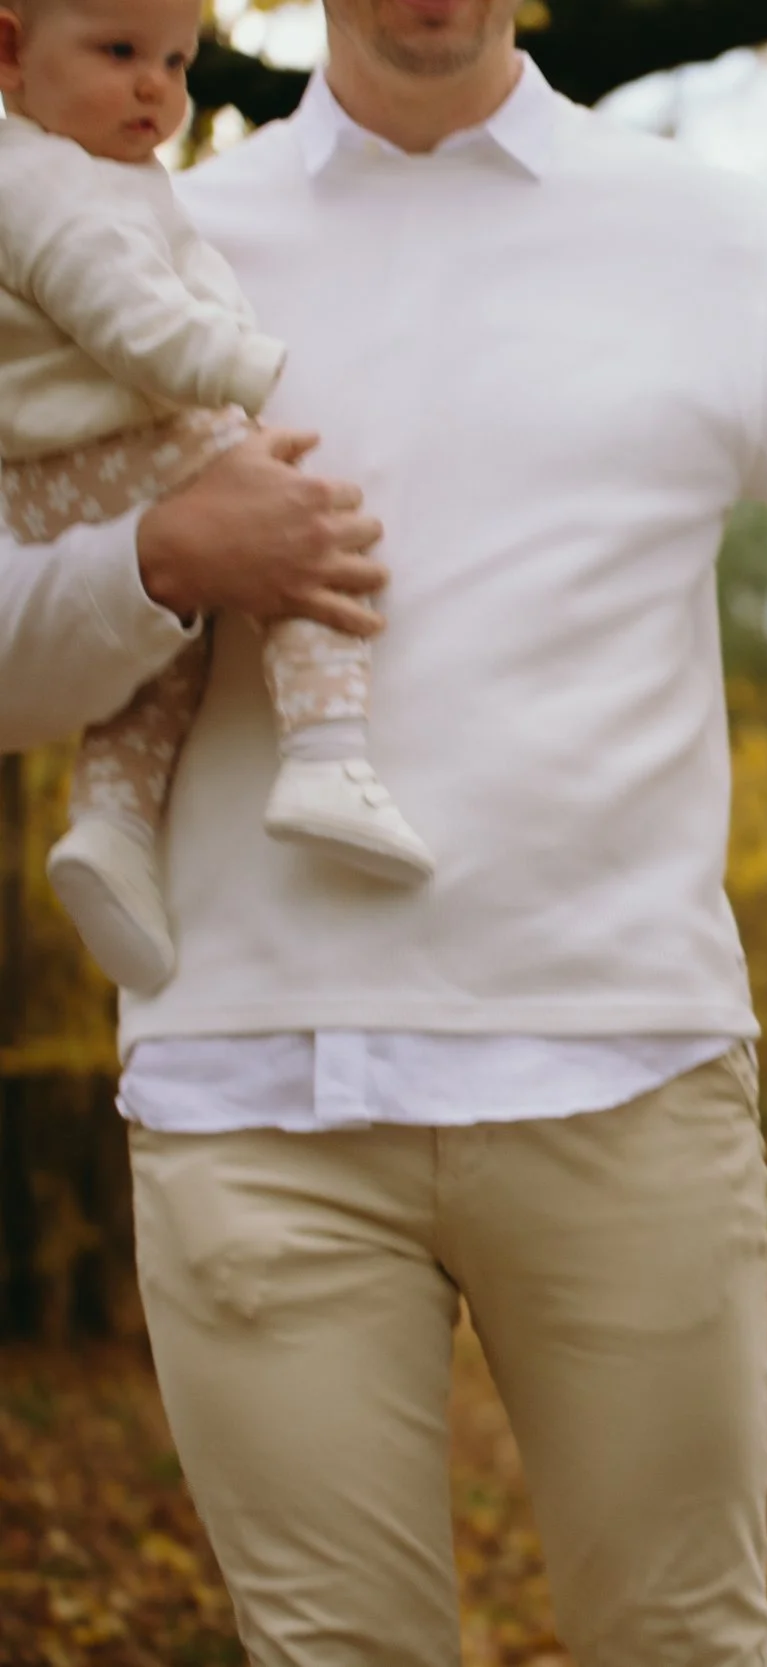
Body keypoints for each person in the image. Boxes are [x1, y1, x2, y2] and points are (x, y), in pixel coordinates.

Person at [0, 1, 767, 1661]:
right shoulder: (150, 230)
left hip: (620, 1075)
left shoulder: (694, 231)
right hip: (252, 1099)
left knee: (683, 1644)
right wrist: (158, 555)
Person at [0, 0, 430, 1000]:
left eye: (176, 61)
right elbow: (128, 317)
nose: (157, 86)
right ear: (12, 51)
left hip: (65, 471)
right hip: (93, 451)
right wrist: (246, 367)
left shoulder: (98, 174)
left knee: (161, 647)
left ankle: (113, 823)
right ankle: (327, 751)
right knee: (298, 520)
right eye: (121, 54)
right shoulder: (44, 179)